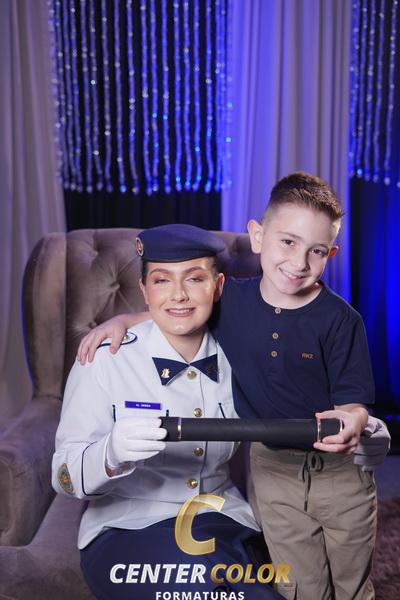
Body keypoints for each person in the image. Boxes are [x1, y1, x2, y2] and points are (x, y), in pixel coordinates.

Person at [77, 173, 390, 600]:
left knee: (345, 581)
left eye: (316, 251)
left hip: (328, 475)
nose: (299, 262)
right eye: (288, 242)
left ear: (330, 254)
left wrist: (359, 422)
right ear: (258, 236)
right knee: (296, 585)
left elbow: (353, 401)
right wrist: (123, 320)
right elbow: (181, 308)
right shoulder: (230, 303)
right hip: (265, 473)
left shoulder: (338, 321)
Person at [52, 224, 284, 600]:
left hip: (223, 520)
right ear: (144, 291)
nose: (178, 294)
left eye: (194, 278)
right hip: (128, 528)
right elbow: (63, 477)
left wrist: (353, 420)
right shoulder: (104, 360)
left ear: (217, 286)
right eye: (161, 280)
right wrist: (108, 456)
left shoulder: (243, 355)